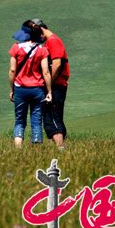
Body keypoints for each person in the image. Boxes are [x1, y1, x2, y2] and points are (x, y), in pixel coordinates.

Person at [8, 24, 52, 148]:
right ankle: (36, 148)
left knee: (20, 120)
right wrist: (49, 91)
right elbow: (46, 72)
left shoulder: (16, 48)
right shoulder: (42, 49)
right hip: (37, 89)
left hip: (20, 88)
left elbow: (12, 70)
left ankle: (18, 148)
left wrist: (11, 89)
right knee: (37, 120)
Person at [31, 19, 69, 149]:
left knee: (51, 117)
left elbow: (57, 64)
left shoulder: (53, 41)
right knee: (54, 115)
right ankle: (59, 146)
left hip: (56, 84)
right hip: (56, 84)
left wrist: (49, 84)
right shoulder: (50, 41)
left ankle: (60, 147)